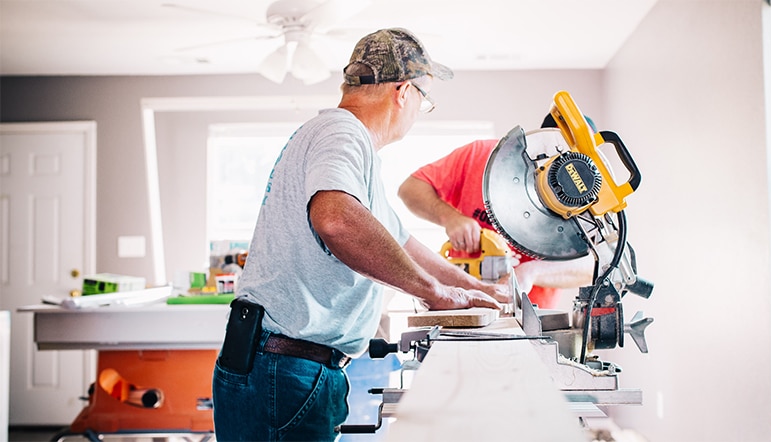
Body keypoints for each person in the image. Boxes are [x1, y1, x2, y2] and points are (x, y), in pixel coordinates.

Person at [211, 28, 508, 442]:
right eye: (425, 100)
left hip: (285, 365)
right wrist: (435, 293)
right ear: (403, 91)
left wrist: (471, 287)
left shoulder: (346, 145)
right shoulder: (342, 132)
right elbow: (336, 220)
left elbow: (403, 242)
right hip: (285, 368)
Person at [397, 114, 598, 309]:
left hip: (530, 316)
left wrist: (531, 272)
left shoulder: (584, 200)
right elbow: (410, 189)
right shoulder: (480, 156)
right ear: (540, 138)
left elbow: (594, 266)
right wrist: (449, 217)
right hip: (461, 302)